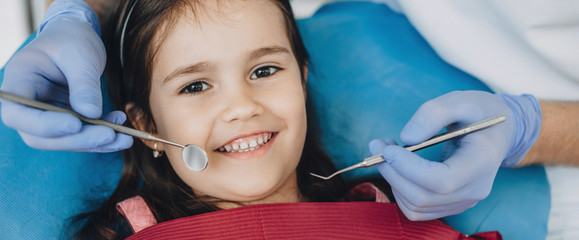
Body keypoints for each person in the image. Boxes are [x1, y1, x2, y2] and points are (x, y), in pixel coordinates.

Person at [0, 0, 576, 223]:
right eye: (196, 86)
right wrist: (70, 12)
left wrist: (529, 127)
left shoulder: (388, 213)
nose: (241, 106)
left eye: (264, 71)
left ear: (303, 82)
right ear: (147, 128)